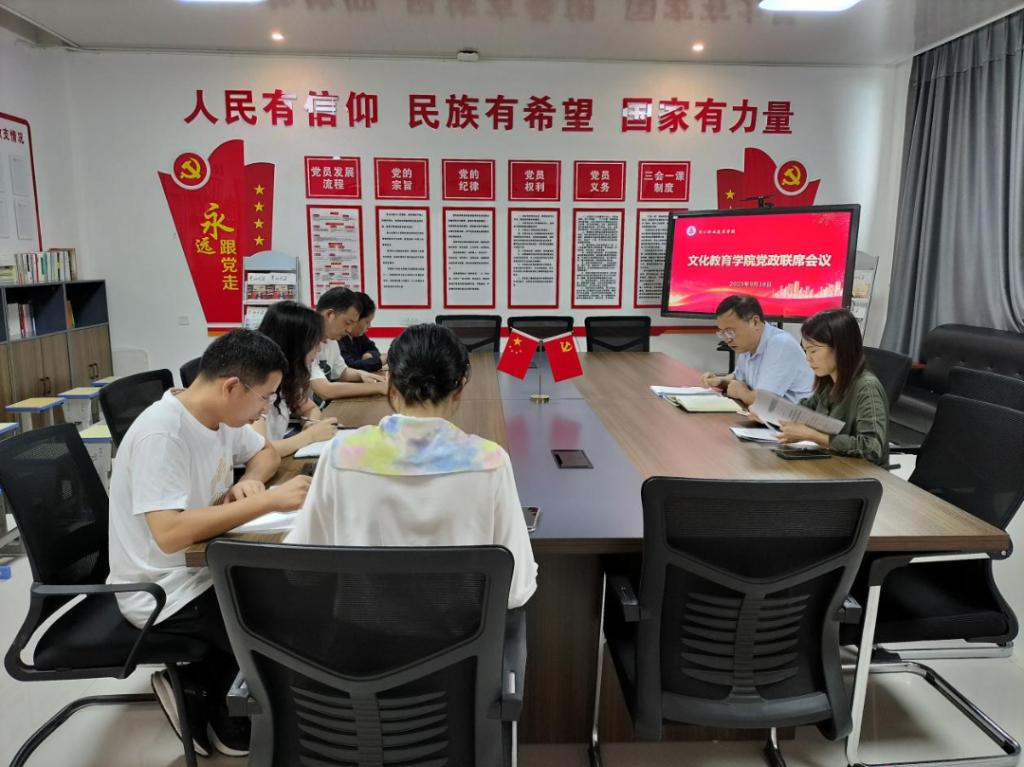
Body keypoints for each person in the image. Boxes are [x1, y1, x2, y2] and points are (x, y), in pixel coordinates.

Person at [106, 329, 312, 757]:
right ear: (232, 387)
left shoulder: (216, 416)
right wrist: (265, 502)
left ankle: (205, 689)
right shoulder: (163, 434)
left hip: (203, 568)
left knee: (291, 595)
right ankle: (205, 697)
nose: (266, 408)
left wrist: (251, 481)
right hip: (164, 591)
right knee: (280, 626)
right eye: (264, 397)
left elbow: (266, 453)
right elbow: (170, 535)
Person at [286, 323, 538, 608]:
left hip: (361, 632)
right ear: (459, 389)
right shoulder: (490, 461)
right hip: (461, 632)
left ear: (391, 387)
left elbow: (301, 570)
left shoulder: (342, 454)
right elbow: (516, 589)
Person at [777, 308, 890, 466]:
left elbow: (871, 448)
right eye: (806, 350)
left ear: (840, 348)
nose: (808, 358)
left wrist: (814, 436)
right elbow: (805, 410)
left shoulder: (867, 388)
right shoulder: (829, 381)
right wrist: (771, 414)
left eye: (813, 350)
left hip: (860, 473)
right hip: (830, 464)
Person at [254, 300, 340, 456]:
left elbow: (310, 408)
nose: (318, 349)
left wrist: (310, 426)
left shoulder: (285, 377)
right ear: (295, 346)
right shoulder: (255, 383)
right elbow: (259, 450)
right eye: (315, 343)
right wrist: (310, 436)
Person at [700, 294, 814, 406]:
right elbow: (739, 378)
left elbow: (763, 402)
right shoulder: (748, 345)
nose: (728, 339)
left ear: (755, 322)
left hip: (800, 416)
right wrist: (720, 381)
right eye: (723, 333)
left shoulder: (780, 344)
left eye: (730, 332)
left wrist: (741, 392)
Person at [310, 287, 388, 400]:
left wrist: (361, 374)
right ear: (330, 315)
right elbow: (325, 390)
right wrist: (378, 387)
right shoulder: (304, 342)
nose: (350, 330)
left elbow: (342, 372)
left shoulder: (332, 340)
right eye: (348, 323)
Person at [339, 292, 386, 373]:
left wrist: (369, 354)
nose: (369, 326)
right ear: (355, 317)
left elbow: (374, 350)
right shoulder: (337, 337)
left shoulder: (359, 336)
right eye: (367, 322)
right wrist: (380, 361)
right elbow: (350, 365)